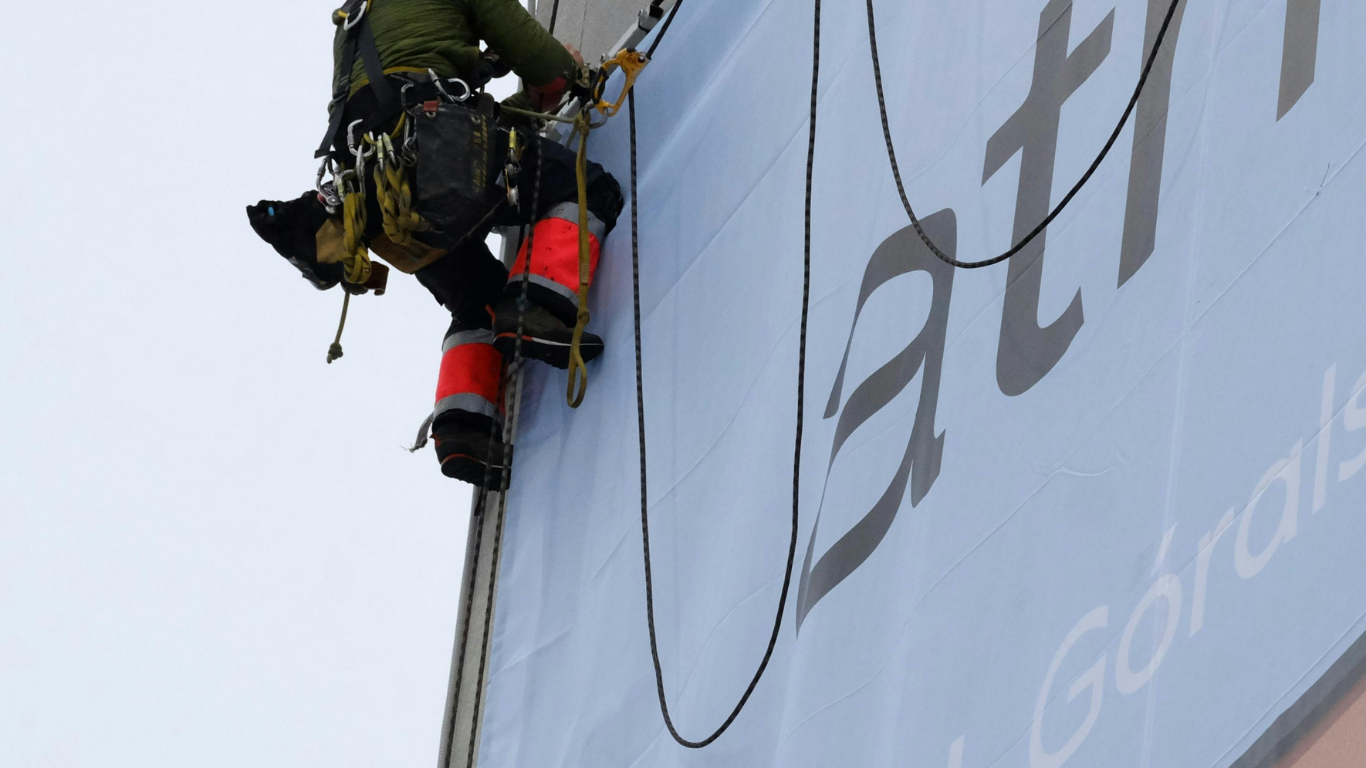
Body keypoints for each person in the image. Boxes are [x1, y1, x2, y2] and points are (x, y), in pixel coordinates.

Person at [246, 0, 624, 490]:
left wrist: (511, 97)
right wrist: (570, 76)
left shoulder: (353, 21)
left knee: (477, 300)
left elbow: (436, 90)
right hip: (436, 155)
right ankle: (540, 307)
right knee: (586, 191)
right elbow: (537, 58)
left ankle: (463, 428)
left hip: (380, 198)